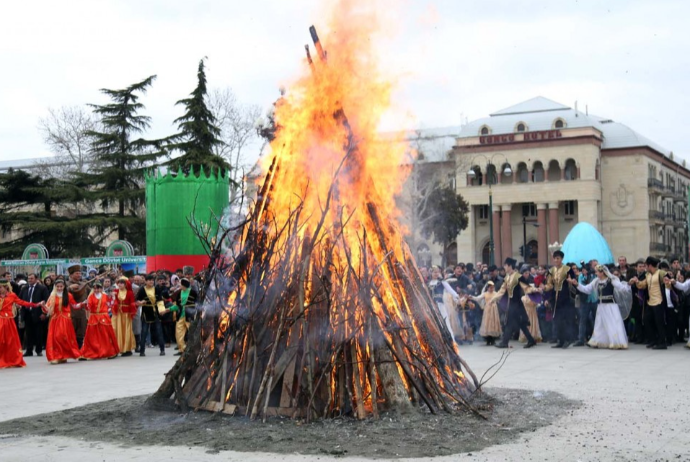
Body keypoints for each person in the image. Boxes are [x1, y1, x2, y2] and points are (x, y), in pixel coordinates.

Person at [571, 265, 630, 349]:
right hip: (601, 306)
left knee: (612, 324)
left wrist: (629, 284)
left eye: (597, 272)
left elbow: (622, 288)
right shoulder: (596, 281)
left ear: (602, 272)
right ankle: (599, 341)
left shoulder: (611, 280)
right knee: (600, 324)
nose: (596, 273)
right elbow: (587, 289)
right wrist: (577, 284)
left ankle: (616, 342)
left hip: (610, 306)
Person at [491, 258, 536, 349]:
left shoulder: (518, 276)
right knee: (520, 324)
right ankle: (531, 340)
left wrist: (535, 290)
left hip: (517, 303)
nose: (504, 267)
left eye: (505, 265)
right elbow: (502, 290)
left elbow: (526, 287)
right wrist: (493, 299)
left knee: (509, 322)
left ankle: (504, 342)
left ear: (510, 266)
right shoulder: (507, 277)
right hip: (511, 303)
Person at [0, 279, 42, 368]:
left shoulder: (12, 295)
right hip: (0, 320)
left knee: (10, 341)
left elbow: (22, 302)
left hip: (9, 321)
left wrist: (35, 304)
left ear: (6, 287)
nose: (0, 289)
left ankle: (11, 359)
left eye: (1, 287)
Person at [629, 257, 669, 350]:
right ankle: (653, 340)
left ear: (650, 265)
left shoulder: (661, 273)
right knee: (647, 320)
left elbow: (669, 283)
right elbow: (642, 285)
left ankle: (662, 342)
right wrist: (637, 281)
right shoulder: (648, 275)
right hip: (650, 302)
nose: (645, 267)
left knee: (659, 323)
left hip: (659, 301)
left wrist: (668, 283)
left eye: (646, 265)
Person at [43, 279, 82, 364]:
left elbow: (74, 305)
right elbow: (47, 309)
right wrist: (43, 306)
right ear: (55, 287)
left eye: (61, 286)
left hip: (65, 320)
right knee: (56, 337)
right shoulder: (52, 296)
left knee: (63, 337)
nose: (59, 288)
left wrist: (83, 304)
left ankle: (63, 356)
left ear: (64, 287)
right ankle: (57, 356)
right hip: (55, 319)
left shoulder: (68, 295)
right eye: (58, 287)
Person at [544, 250, 577, 348]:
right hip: (555, 297)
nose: (556, 260)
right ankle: (560, 340)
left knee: (566, 319)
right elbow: (550, 284)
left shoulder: (567, 269)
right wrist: (544, 287)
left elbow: (574, 280)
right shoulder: (551, 271)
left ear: (561, 259)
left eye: (558, 258)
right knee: (557, 320)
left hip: (565, 296)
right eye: (554, 258)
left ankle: (568, 339)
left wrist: (571, 282)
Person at [80, 282, 119, 360]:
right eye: (95, 288)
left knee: (105, 335)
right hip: (94, 317)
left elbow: (110, 305)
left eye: (98, 288)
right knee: (92, 336)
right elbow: (89, 307)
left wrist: (113, 298)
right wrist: (86, 304)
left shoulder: (105, 296)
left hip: (104, 317)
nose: (96, 290)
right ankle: (91, 352)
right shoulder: (90, 297)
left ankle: (108, 352)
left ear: (101, 289)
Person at [18, 273, 50, 357]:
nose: (29, 280)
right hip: (27, 313)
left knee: (38, 332)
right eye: (28, 278)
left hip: (38, 313)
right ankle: (29, 350)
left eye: (31, 278)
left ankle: (38, 350)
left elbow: (47, 301)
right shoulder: (24, 288)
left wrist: (44, 313)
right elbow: (20, 299)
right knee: (28, 333)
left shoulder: (42, 288)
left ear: (36, 279)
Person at [135, 274, 166, 356]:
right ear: (145, 281)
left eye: (152, 280)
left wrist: (162, 310)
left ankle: (162, 349)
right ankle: (142, 351)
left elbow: (160, 301)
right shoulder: (142, 290)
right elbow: (137, 301)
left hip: (155, 312)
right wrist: (141, 303)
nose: (151, 282)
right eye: (149, 280)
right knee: (144, 332)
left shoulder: (157, 289)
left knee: (159, 331)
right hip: (146, 312)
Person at [169, 278, 198, 355]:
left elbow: (198, 303)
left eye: (180, 284)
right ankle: (182, 349)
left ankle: (194, 349)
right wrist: (168, 309)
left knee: (192, 332)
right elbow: (177, 305)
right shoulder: (179, 293)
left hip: (190, 315)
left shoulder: (193, 292)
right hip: (181, 315)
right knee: (178, 333)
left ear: (183, 285)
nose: (179, 285)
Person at [470, 281, 502, 345]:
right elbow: (478, 298)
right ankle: (488, 339)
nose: (491, 289)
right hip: (487, 310)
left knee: (493, 323)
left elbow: (500, 299)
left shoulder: (495, 293)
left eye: (492, 287)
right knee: (487, 323)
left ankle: (493, 340)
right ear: (487, 288)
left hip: (494, 310)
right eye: (490, 287)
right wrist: (472, 297)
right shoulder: (485, 294)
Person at [112, 277, 137, 356]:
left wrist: (132, 312)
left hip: (126, 315)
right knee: (116, 330)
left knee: (126, 331)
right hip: (118, 315)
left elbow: (132, 303)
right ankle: (116, 348)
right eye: (119, 283)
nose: (120, 284)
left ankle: (127, 349)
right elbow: (112, 301)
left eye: (122, 283)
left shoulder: (129, 293)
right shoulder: (115, 291)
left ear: (125, 284)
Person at [574, 263, 598, 347]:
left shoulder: (594, 276)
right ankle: (581, 339)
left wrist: (591, 275)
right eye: (582, 269)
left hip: (594, 299)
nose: (583, 271)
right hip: (585, 300)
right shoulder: (581, 277)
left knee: (596, 320)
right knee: (582, 320)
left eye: (585, 269)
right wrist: (586, 277)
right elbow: (583, 286)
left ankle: (596, 338)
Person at [519, 265, 543, 344]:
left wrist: (537, 290)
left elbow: (531, 289)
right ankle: (526, 337)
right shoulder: (520, 280)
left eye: (528, 273)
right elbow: (526, 289)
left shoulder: (531, 279)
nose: (527, 274)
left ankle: (532, 337)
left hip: (531, 301)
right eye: (525, 273)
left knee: (532, 320)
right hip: (523, 301)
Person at [66, 265, 88, 348]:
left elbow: (92, 292)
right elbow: (60, 293)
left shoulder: (84, 284)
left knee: (81, 333)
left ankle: (80, 350)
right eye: (77, 273)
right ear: (71, 275)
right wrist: (69, 288)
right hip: (70, 312)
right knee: (70, 332)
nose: (79, 275)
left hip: (82, 312)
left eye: (80, 273)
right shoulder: (66, 284)